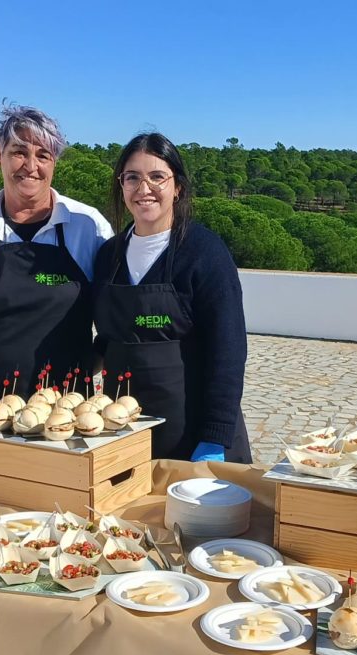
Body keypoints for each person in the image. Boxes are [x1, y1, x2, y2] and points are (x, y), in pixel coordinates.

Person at [0, 105, 113, 402]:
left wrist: (90, 368)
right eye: (19, 152)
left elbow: (115, 319)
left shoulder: (88, 227)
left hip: (64, 416)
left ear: (54, 163)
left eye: (43, 155)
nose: (30, 165)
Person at [93, 133, 251, 463]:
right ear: (121, 185)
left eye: (157, 177)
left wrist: (215, 436)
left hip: (192, 431)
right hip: (123, 430)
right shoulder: (108, 256)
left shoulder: (204, 252)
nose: (144, 188)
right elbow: (108, 339)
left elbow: (228, 349)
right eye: (132, 177)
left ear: (177, 186)